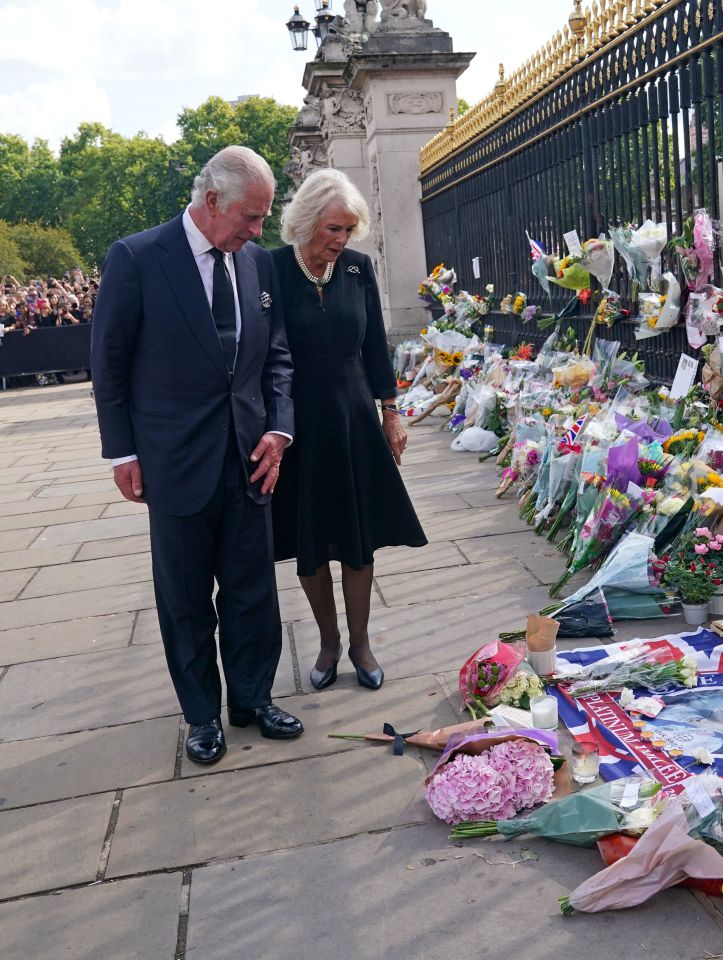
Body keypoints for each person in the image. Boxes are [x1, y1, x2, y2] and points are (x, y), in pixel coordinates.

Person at [92, 145, 303, 765]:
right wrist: (121, 452)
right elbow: (110, 363)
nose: (259, 230)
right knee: (184, 598)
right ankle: (202, 716)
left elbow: (278, 359)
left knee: (252, 590)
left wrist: (280, 430)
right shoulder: (137, 257)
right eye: (252, 216)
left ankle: (252, 699)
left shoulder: (259, 265)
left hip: (250, 457)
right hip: (174, 461)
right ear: (211, 201)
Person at [271, 168, 426, 692]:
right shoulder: (269, 270)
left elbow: (374, 347)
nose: (340, 240)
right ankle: (329, 642)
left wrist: (391, 410)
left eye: (347, 230)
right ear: (308, 221)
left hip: (355, 417)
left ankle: (360, 643)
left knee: (358, 539)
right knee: (310, 539)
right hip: (297, 425)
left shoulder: (358, 269)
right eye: (333, 229)